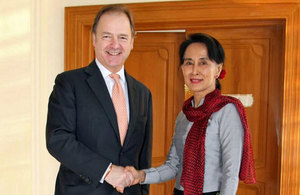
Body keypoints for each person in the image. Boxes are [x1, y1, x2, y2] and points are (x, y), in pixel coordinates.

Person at [123, 33, 256, 195]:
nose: (194, 70)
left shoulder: (227, 110)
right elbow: (173, 166)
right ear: (182, 68)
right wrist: (141, 175)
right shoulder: (184, 115)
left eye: (203, 63)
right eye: (189, 63)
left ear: (218, 69)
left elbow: (231, 173)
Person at [46, 4, 153, 195]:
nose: (115, 44)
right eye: (106, 36)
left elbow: (143, 157)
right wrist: (107, 171)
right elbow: (58, 139)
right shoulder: (69, 83)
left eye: (122, 37)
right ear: (94, 39)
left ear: (132, 42)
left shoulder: (143, 93)